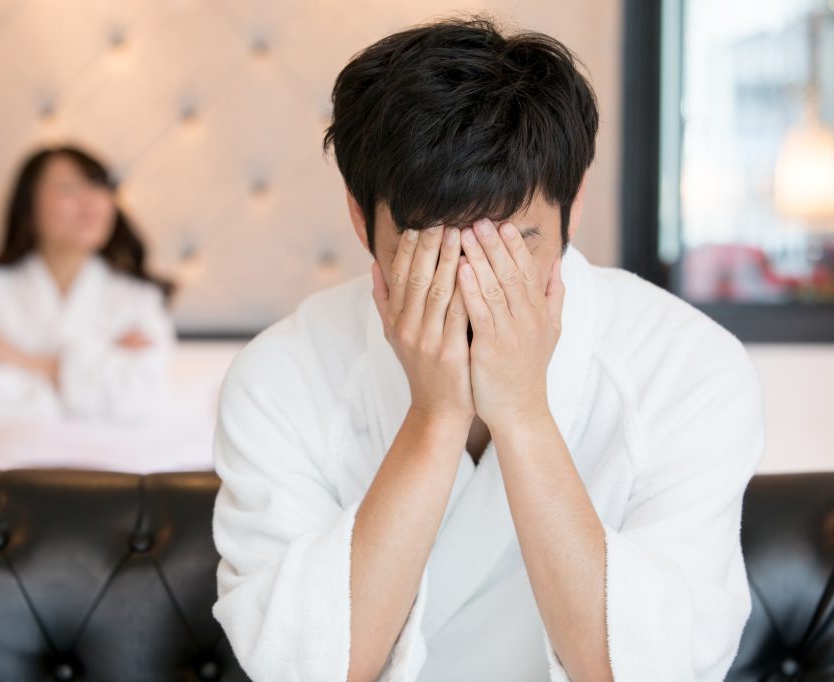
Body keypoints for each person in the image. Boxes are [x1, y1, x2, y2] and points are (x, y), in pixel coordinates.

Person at [210, 14, 765, 682]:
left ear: (572, 206)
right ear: (361, 218)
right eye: (435, 249)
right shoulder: (279, 376)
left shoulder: (689, 366)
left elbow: (646, 669)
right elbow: (304, 669)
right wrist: (434, 417)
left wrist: (524, 414)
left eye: (514, 245)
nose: (474, 285)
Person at [0, 144, 177, 426]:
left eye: (99, 187)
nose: (90, 203)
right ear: (30, 207)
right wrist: (101, 365)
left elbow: (143, 393)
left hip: (115, 449)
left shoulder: (139, 296)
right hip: (11, 445)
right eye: (68, 189)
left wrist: (22, 360)